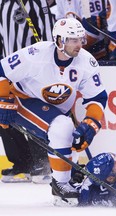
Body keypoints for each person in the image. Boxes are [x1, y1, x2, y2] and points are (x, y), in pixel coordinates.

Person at [0, 18, 108, 204]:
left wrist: (91, 124)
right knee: (62, 127)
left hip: (56, 108)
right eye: (73, 40)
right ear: (59, 41)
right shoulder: (37, 54)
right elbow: (2, 70)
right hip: (22, 99)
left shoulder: (86, 62)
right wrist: (3, 100)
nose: (79, 45)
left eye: (80, 39)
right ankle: (61, 185)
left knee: (72, 139)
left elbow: (97, 98)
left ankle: (66, 179)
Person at [0, 0, 55, 183]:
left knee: (33, 112)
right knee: (4, 114)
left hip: (31, 70)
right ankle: (22, 163)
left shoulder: (37, 4)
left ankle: (41, 162)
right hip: (7, 68)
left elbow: (47, 37)